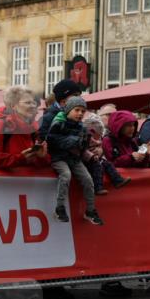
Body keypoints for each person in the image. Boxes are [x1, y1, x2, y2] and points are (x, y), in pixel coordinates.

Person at [46, 96, 102, 225]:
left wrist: (87, 144)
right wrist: (74, 141)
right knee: (66, 175)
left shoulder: (82, 127)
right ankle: (60, 208)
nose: (80, 113)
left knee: (88, 179)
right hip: (59, 157)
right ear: (68, 110)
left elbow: (82, 147)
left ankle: (90, 210)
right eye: (77, 110)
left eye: (83, 111)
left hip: (74, 158)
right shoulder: (58, 123)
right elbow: (52, 140)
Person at [0, 85, 49, 170]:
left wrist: (41, 157)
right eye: (28, 103)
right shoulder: (1, 124)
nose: (33, 106)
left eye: (33, 103)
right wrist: (19, 158)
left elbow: (35, 163)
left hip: (26, 178)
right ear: (13, 106)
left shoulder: (33, 129)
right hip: (5, 178)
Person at [82, 112, 129, 194]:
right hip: (87, 160)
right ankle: (98, 187)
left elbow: (99, 145)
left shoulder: (96, 137)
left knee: (108, 164)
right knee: (98, 167)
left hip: (94, 157)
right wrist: (92, 156)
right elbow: (82, 150)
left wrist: (100, 150)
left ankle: (118, 180)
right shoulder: (83, 137)